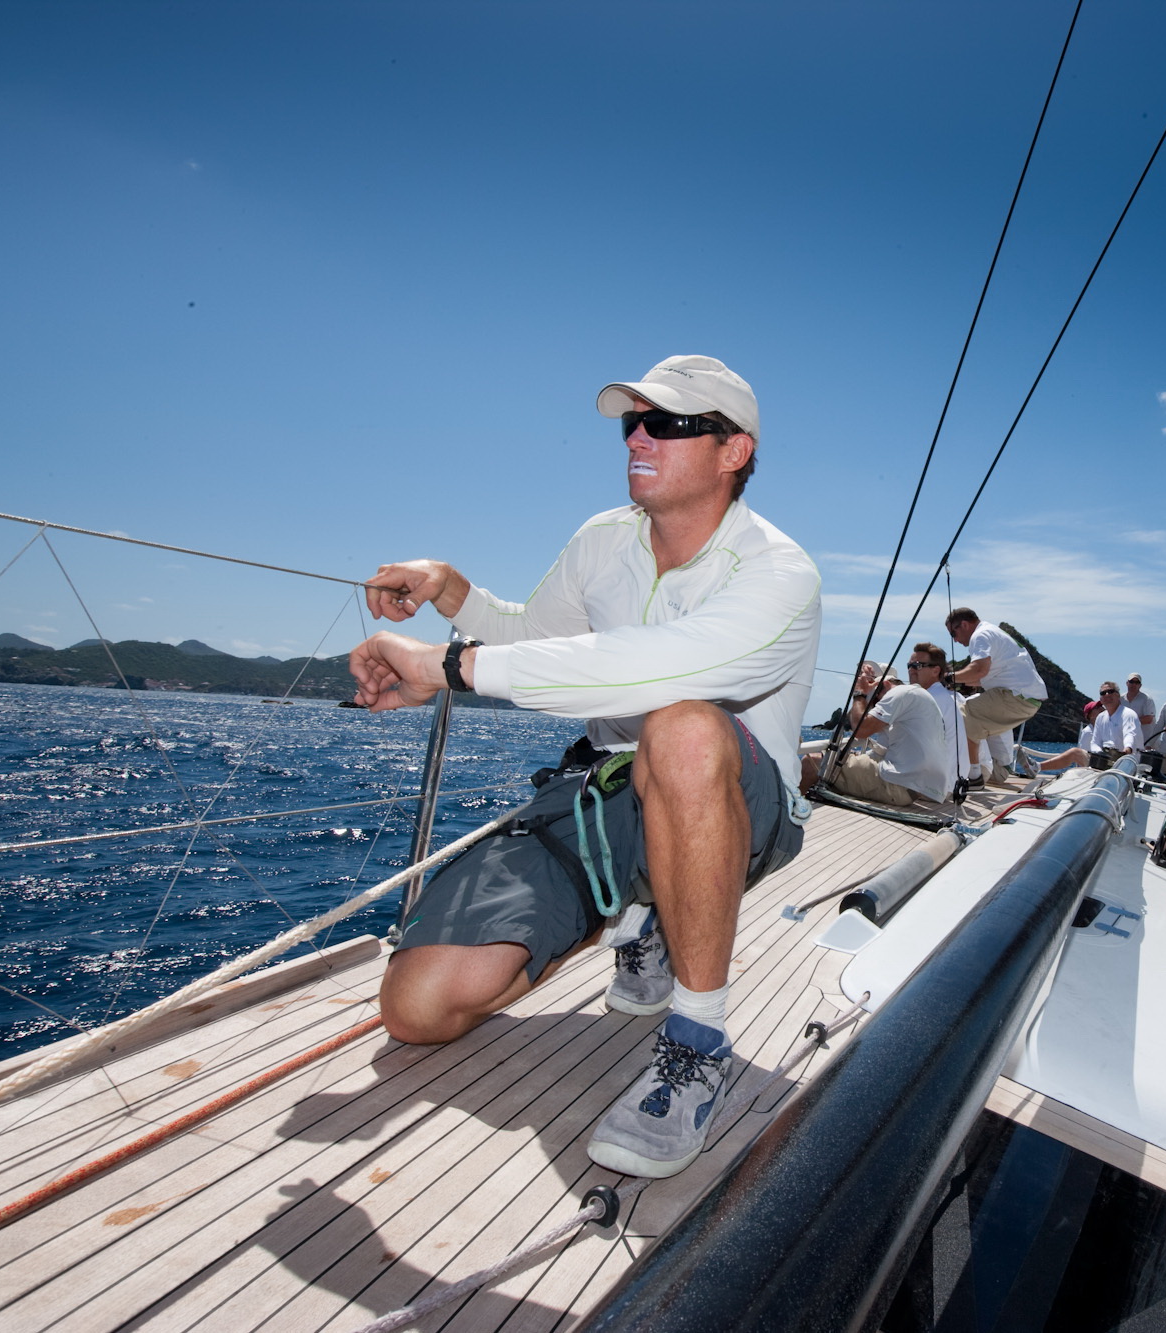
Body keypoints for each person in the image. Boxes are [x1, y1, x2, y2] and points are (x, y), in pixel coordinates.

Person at [346, 354, 822, 1179]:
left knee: (682, 728)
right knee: (417, 1007)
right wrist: (451, 590)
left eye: (667, 423)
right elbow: (534, 638)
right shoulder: (602, 542)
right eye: (632, 421)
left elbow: (662, 668)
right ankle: (645, 915)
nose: (638, 436)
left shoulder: (779, 574)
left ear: (732, 452)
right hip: (605, 785)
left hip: (743, 798)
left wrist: (444, 668)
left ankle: (698, 1036)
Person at [803, 669, 950, 807]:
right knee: (833, 774)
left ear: (885, 685)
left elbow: (862, 729)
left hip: (896, 784)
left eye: (874, 702)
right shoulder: (917, 697)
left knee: (812, 761)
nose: (874, 707)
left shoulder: (900, 693)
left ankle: (791, 815)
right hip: (914, 788)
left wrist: (859, 693)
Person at [944, 608, 1046, 786]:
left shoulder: (980, 635)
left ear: (965, 625)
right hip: (1028, 700)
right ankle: (974, 773)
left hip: (1015, 697)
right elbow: (979, 677)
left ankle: (974, 776)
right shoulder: (992, 632)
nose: (955, 640)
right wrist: (958, 680)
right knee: (971, 719)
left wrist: (946, 677)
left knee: (962, 712)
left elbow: (978, 670)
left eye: (954, 633)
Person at [1030, 682, 1145, 773]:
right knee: (1075, 752)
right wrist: (1100, 754)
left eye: (1110, 691)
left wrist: (1128, 748)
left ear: (1118, 695)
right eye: (1103, 693)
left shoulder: (1128, 714)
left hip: (1127, 762)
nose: (1107, 695)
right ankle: (1036, 767)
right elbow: (1095, 742)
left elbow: (1130, 734)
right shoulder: (1101, 718)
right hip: (1105, 761)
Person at [906, 642, 970, 795]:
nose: (911, 670)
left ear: (935, 671)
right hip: (951, 785)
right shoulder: (943, 697)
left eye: (917, 665)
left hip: (930, 788)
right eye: (909, 665)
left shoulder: (926, 699)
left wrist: (860, 693)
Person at [1124, 673, 1158, 743]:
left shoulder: (1147, 699)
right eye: (1131, 682)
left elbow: (1149, 719)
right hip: (1126, 740)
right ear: (1127, 683)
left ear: (1140, 685)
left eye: (1137, 682)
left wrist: (1128, 722)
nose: (1134, 684)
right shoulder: (1120, 699)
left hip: (1145, 741)